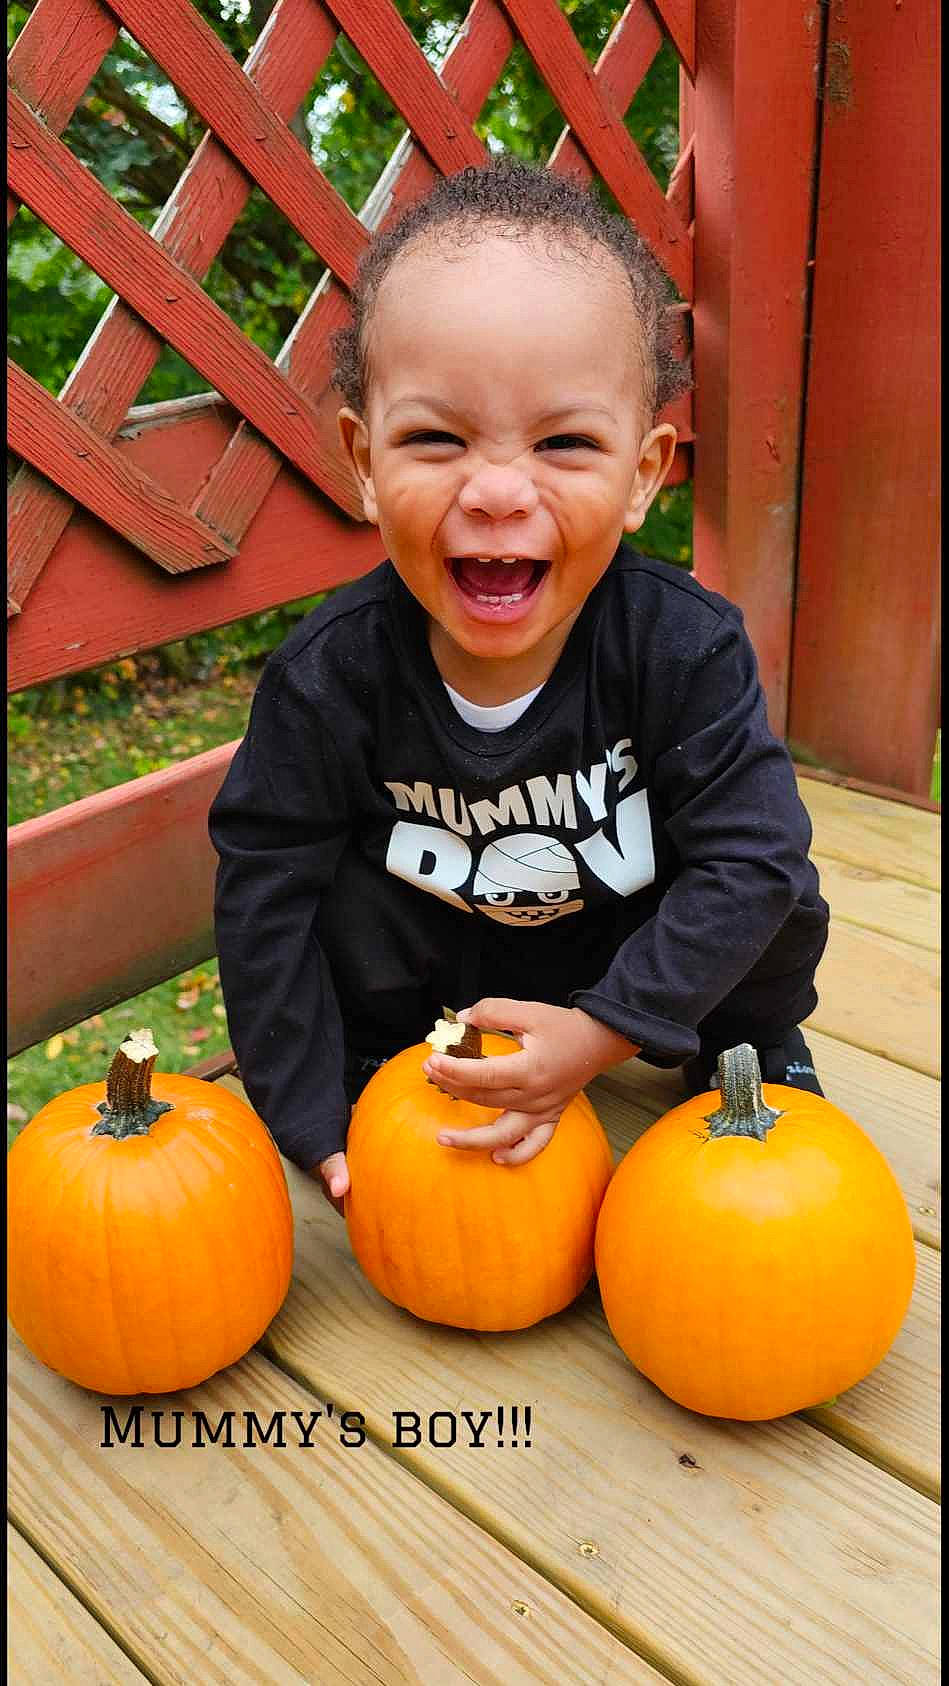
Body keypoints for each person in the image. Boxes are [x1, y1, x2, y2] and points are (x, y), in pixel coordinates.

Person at [209, 156, 829, 1213]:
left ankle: (744, 1034)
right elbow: (263, 889)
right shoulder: (329, 677)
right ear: (363, 461)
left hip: (624, 940)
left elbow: (752, 858)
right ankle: (371, 1068)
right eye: (436, 438)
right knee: (317, 890)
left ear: (642, 472)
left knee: (769, 882)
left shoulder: (684, 648)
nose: (497, 491)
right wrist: (305, 1113)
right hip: (435, 971)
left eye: (566, 442)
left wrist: (601, 1032)